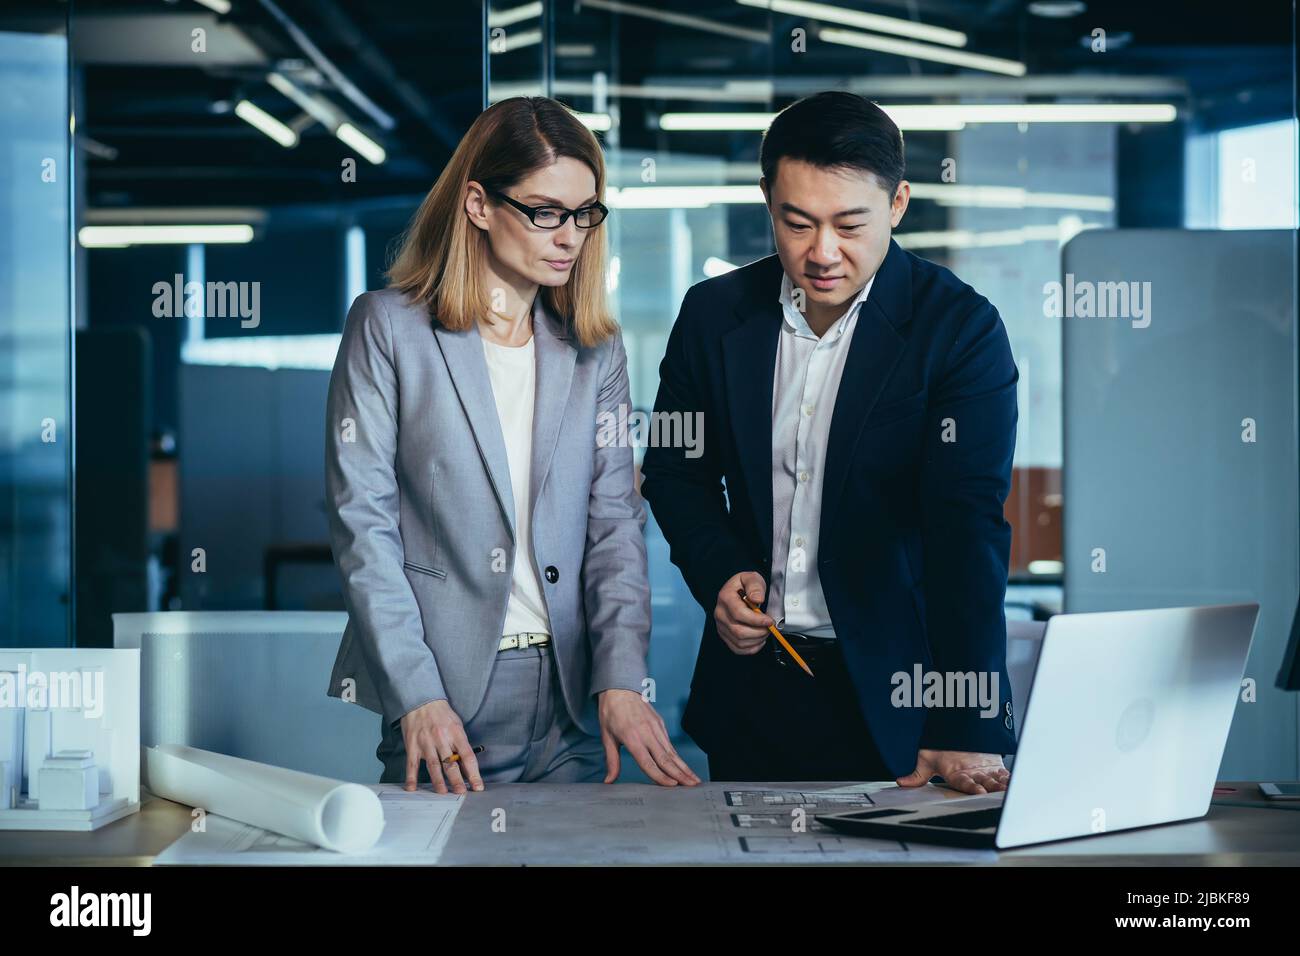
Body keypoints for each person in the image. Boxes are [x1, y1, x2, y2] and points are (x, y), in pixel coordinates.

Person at [640, 91, 1017, 793]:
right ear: (767, 201)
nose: (822, 253)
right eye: (797, 222)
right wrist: (720, 573)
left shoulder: (959, 330)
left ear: (898, 203)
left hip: (902, 701)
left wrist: (965, 722)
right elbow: (674, 472)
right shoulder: (713, 314)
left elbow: (967, 529)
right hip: (754, 691)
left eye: (850, 224)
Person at [325, 96, 699, 794]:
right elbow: (362, 526)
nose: (570, 235)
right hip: (449, 694)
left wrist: (621, 675)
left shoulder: (595, 351)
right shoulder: (389, 330)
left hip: (571, 697)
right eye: (545, 211)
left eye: (586, 212)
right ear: (477, 205)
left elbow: (615, 525)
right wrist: (416, 694)